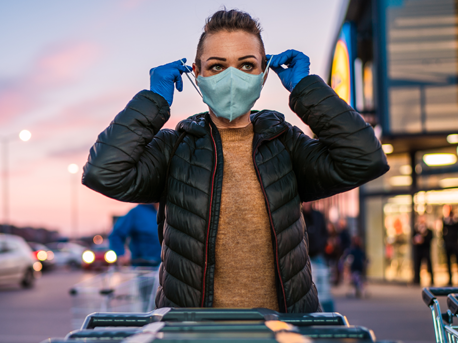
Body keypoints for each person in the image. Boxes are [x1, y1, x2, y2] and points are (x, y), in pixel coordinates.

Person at [82, 9, 389, 313]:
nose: (232, 77)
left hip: (284, 333)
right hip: (193, 336)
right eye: (217, 66)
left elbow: (364, 159)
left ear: (263, 73)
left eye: (246, 65)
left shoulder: (286, 143)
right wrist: (154, 100)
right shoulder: (174, 148)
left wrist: (305, 87)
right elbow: (103, 172)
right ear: (197, 75)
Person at [412, 215, 434, 286]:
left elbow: (430, 238)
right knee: (417, 265)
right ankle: (417, 280)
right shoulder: (416, 229)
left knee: (429, 265)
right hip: (418, 250)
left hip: (426, 249)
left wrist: (423, 239)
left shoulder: (428, 230)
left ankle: (432, 280)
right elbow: (412, 238)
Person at [443, 205, 458, 285]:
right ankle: (450, 279)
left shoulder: (455, 220)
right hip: (448, 245)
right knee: (448, 262)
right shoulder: (445, 220)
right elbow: (443, 232)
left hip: (455, 244)